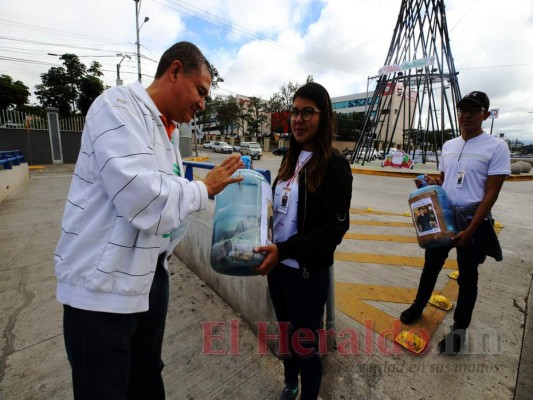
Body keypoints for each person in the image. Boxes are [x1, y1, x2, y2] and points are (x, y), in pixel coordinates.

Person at [54, 41, 243, 399]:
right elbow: (141, 197)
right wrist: (203, 190)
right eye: (200, 91)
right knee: (105, 387)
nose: (202, 103)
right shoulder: (117, 107)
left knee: (147, 378)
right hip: (101, 291)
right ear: (174, 71)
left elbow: (168, 204)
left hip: (149, 280)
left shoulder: (165, 133)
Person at [255, 82, 353, 400]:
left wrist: (284, 249)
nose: (298, 119)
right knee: (286, 336)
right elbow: (279, 215)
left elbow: (331, 232)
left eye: (307, 112)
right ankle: (290, 383)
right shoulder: (288, 160)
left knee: (306, 346)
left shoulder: (336, 166)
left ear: (324, 117)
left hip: (307, 275)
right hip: (278, 269)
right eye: (295, 112)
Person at [400, 91, 510, 354]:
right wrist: (429, 182)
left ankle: (458, 330)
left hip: (473, 220)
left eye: (473, 110)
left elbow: (491, 193)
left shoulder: (496, 147)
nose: (466, 115)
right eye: (462, 110)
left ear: (485, 114)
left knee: (468, 278)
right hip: (445, 217)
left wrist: (470, 230)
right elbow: (445, 181)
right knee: (430, 267)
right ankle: (418, 306)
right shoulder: (449, 146)